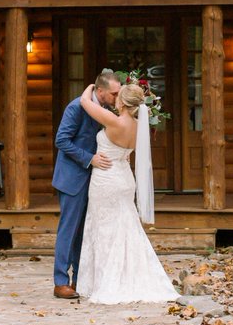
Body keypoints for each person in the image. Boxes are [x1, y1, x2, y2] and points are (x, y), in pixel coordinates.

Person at [74, 82, 179, 304]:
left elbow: (84, 101)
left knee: (104, 230)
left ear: (122, 101)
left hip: (106, 179)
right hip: (124, 178)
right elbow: (127, 153)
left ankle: (106, 281)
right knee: (127, 229)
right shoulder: (139, 127)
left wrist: (93, 86)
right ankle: (133, 276)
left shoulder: (114, 121)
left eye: (118, 96)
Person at [51, 70, 120, 299]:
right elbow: (61, 140)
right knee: (68, 231)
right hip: (72, 178)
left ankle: (80, 279)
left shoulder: (106, 109)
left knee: (85, 232)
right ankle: (60, 282)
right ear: (99, 91)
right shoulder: (76, 108)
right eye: (113, 94)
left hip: (94, 180)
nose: (116, 98)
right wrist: (89, 158)